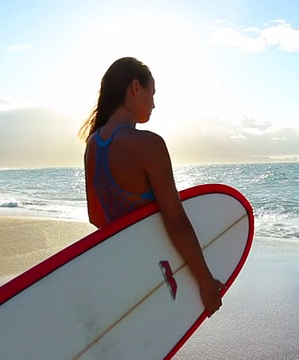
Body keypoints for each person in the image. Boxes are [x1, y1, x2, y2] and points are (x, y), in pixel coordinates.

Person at [79, 57, 225, 317]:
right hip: (155, 275)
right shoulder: (148, 145)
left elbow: (97, 217)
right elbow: (176, 222)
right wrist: (205, 282)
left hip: (121, 274)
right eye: (152, 92)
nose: (154, 103)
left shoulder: (93, 145)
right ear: (136, 88)